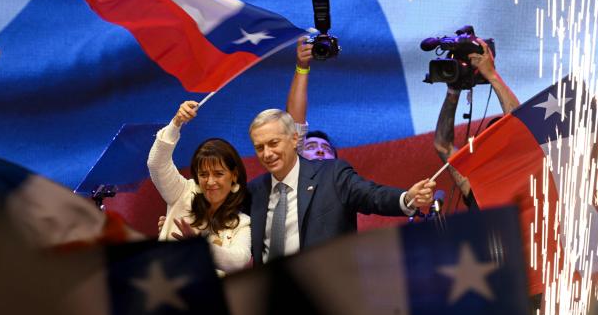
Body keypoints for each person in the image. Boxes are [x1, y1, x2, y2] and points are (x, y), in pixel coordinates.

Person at [247, 108, 436, 265]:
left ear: (295, 139)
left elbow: (371, 195)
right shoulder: (255, 191)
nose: (267, 154)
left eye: (273, 143)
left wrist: (407, 198)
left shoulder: (332, 174)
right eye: (259, 147)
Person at [148, 101, 251, 274]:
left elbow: (238, 261)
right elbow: (156, 164)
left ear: (234, 175)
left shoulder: (241, 223)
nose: (210, 182)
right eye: (203, 175)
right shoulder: (182, 192)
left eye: (218, 174)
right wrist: (176, 123)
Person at [433, 39, 520, 209]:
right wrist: (453, 90)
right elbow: (442, 146)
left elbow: (518, 126)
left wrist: (492, 75)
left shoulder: (524, 176)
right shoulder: (477, 189)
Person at [287, 36, 337, 160]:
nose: (320, 151)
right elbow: (294, 126)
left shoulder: (350, 179)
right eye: (310, 147)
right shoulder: (293, 169)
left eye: (327, 149)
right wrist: (302, 67)